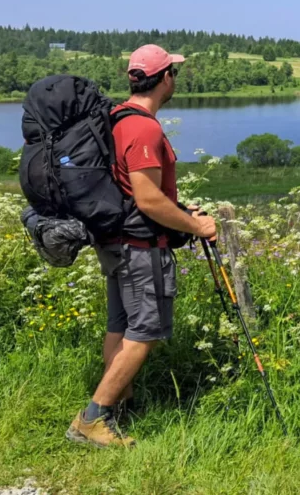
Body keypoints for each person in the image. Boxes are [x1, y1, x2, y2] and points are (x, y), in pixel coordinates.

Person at [66, 44, 217, 448]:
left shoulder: (116, 117)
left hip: (115, 241)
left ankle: (121, 406)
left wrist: (179, 209)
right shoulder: (145, 127)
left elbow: (133, 190)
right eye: (174, 72)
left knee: (120, 325)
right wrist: (196, 226)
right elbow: (148, 200)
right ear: (165, 78)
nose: (175, 79)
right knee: (145, 330)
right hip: (139, 246)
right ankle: (92, 418)